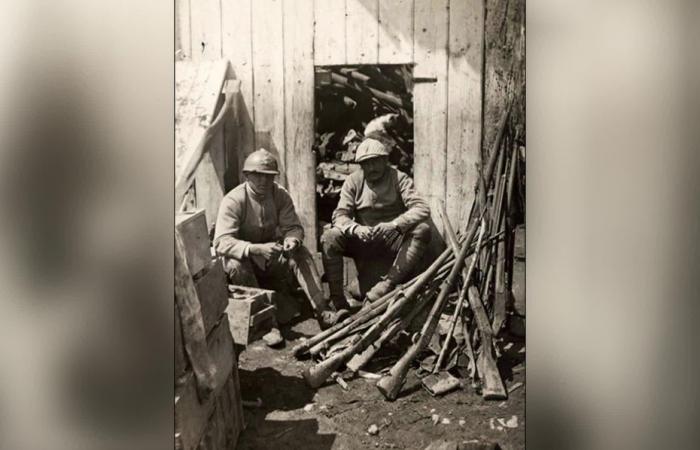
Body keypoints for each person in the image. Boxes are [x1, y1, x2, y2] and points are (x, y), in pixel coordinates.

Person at [213, 149, 348, 339]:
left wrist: (291, 240)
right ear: (247, 175)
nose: (263, 181)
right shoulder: (233, 200)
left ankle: (323, 311)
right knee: (235, 264)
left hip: (271, 259)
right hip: (247, 263)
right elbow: (221, 242)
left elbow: (293, 227)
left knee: (300, 252)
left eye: (269, 177)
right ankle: (268, 325)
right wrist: (254, 249)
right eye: (258, 176)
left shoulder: (279, 195)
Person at [321, 138, 431, 306]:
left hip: (392, 242)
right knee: (330, 236)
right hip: (363, 243)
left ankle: (387, 284)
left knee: (422, 229)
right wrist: (356, 229)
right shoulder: (353, 181)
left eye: (375, 162)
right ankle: (338, 302)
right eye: (365, 164)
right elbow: (339, 215)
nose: (371, 168)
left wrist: (394, 225)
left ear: (385, 160)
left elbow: (422, 208)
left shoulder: (398, 178)